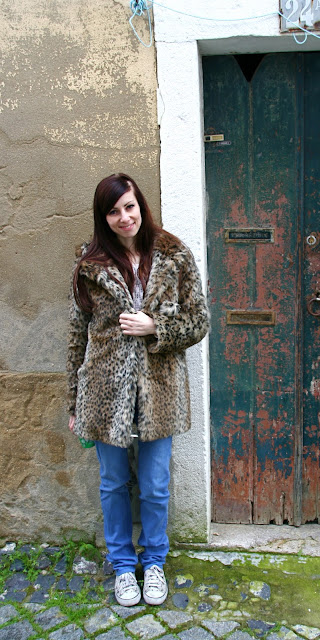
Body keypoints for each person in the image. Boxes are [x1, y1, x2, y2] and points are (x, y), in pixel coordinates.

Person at [67, 173, 209, 607]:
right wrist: (74, 402)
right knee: (113, 484)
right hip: (103, 393)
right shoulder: (90, 265)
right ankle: (123, 566)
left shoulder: (174, 255)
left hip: (159, 393)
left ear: (141, 205)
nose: (124, 217)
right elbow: (77, 336)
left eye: (129, 206)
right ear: (103, 217)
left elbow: (199, 321)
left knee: (154, 485)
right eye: (113, 211)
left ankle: (155, 562)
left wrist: (155, 327)